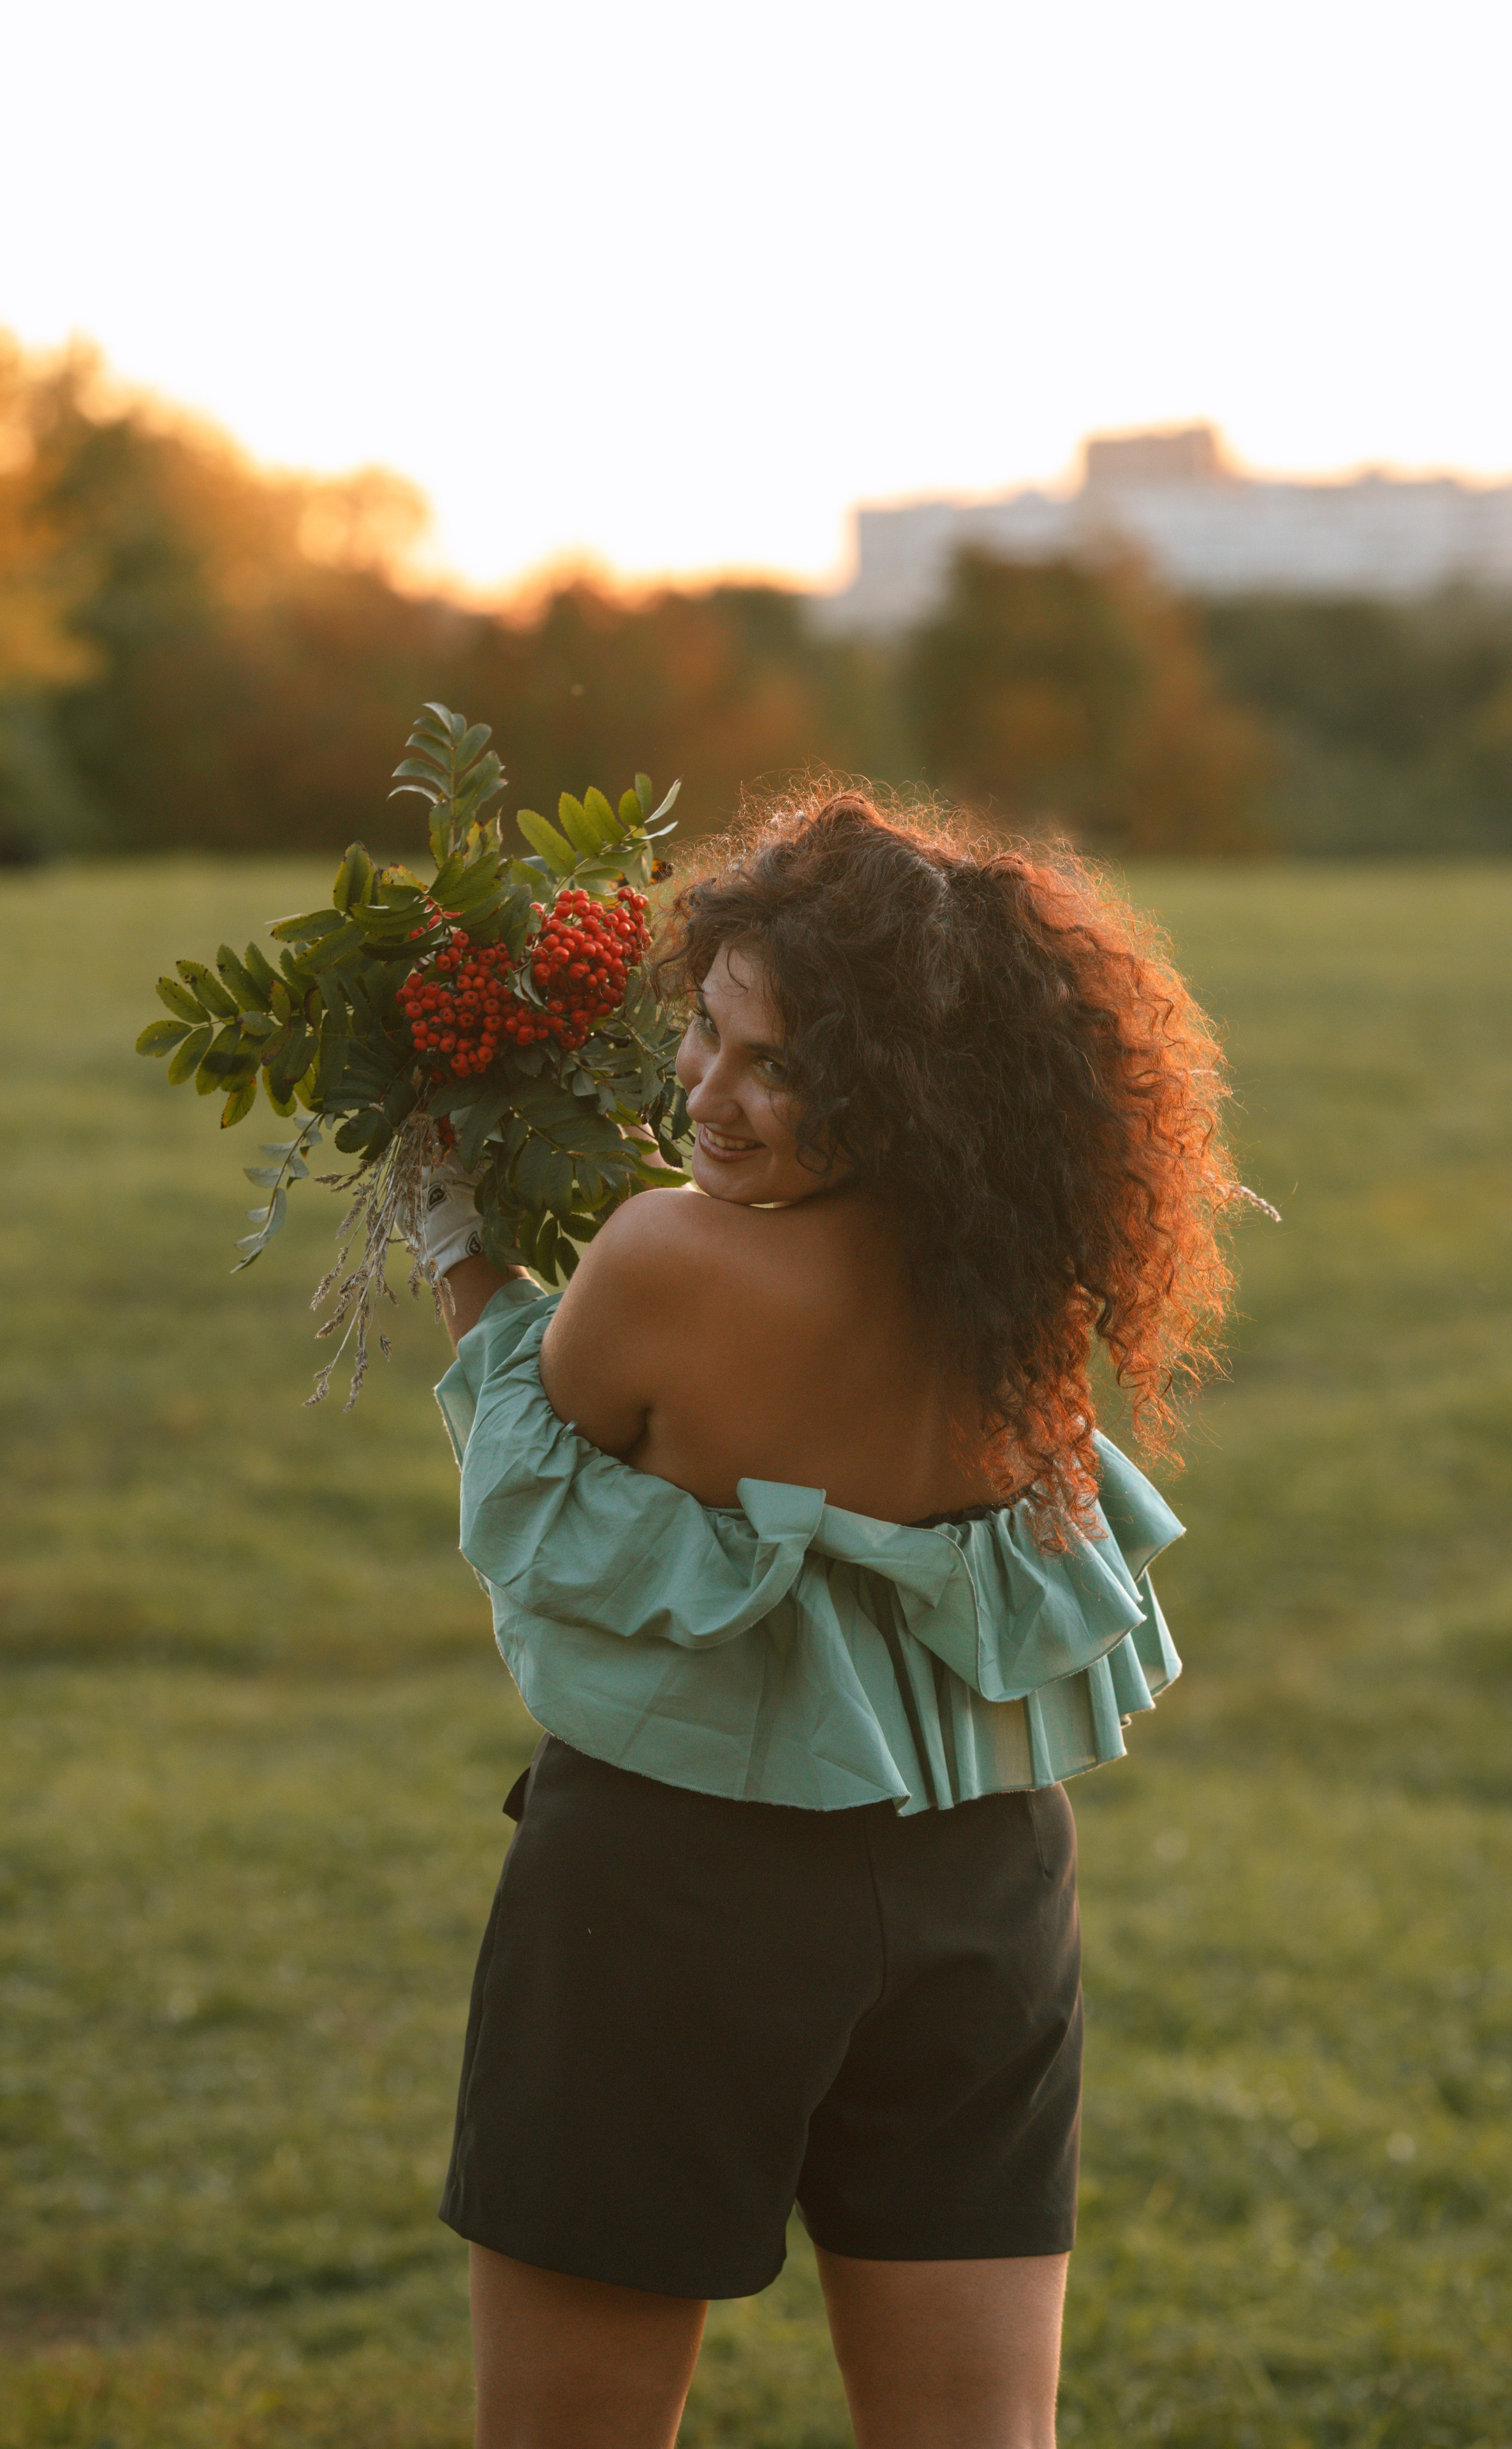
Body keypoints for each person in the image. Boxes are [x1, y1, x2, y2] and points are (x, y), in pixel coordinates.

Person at [412, 792, 1237, 2449]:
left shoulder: (661, 1263)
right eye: (708, 1034)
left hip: (668, 1896)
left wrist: (459, 1231)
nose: (710, 1094)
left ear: (900, 1089)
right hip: (982, 1891)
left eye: (780, 1067)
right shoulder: (1023, 1285)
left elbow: (532, 1460)